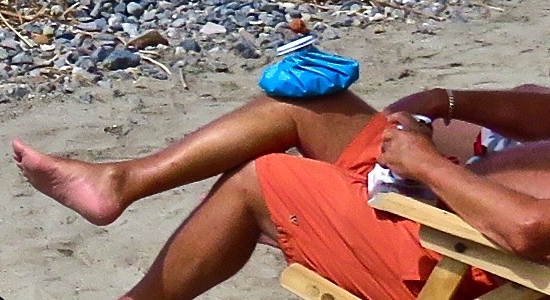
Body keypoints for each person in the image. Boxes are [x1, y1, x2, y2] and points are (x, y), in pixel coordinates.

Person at [12, 85, 550, 300]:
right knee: (305, 105)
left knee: (262, 180)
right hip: (458, 196)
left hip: (467, 259)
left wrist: (425, 164)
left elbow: (530, 231)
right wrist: (447, 101)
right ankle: (119, 182)